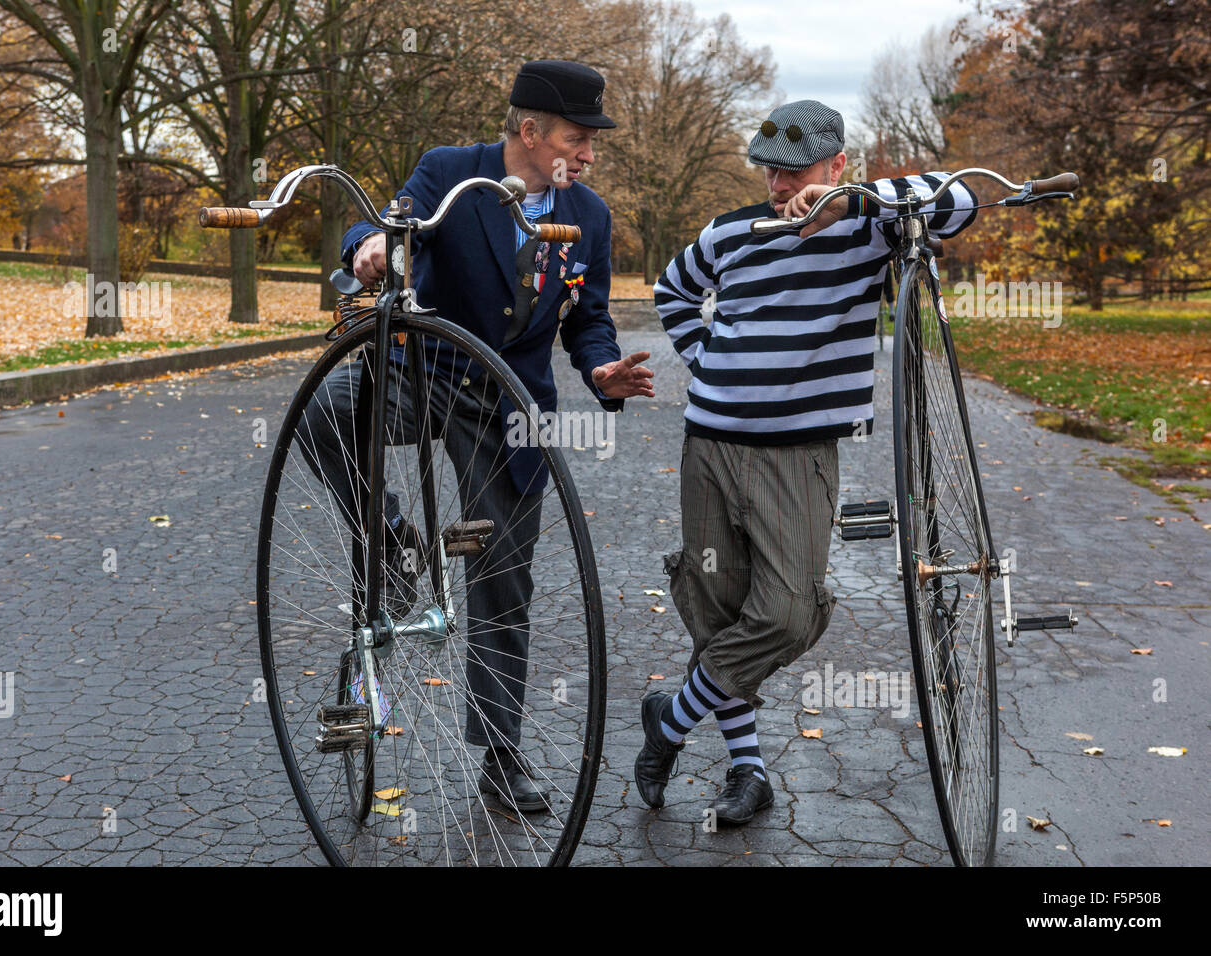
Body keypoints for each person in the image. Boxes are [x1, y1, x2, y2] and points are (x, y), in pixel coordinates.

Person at [296, 60, 654, 813]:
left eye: (593, 139)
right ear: (530, 132)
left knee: (500, 578)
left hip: (509, 402)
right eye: (577, 137)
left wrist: (602, 371)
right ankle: (389, 536)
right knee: (326, 408)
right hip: (421, 372)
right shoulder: (451, 172)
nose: (589, 152)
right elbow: (384, 224)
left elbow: (586, 319)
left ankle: (500, 754)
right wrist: (365, 248)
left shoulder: (587, 214)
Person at [639, 99, 979, 825]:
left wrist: (853, 202)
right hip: (710, 445)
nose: (777, 184)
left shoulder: (867, 228)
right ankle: (748, 771)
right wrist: (707, 365)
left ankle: (670, 719)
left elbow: (964, 198)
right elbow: (673, 290)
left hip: (798, 455)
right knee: (717, 608)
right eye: (769, 169)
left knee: (787, 615)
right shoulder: (731, 230)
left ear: (836, 166)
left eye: (794, 171)